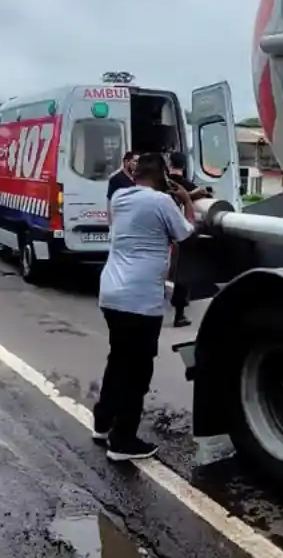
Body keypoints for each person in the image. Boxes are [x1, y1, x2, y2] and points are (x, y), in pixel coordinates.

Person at [94, 153, 196, 461]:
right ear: (163, 176)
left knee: (118, 360)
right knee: (137, 371)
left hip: (111, 291)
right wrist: (187, 203)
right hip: (140, 299)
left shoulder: (121, 196)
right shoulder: (162, 202)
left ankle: (103, 423)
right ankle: (123, 441)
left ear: (134, 174)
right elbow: (184, 234)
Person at [166, 152, 211, 327]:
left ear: (170, 164)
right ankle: (179, 314)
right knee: (182, 272)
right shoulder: (189, 187)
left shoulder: (163, 183)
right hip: (180, 232)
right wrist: (197, 194)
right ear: (184, 167)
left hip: (161, 231)